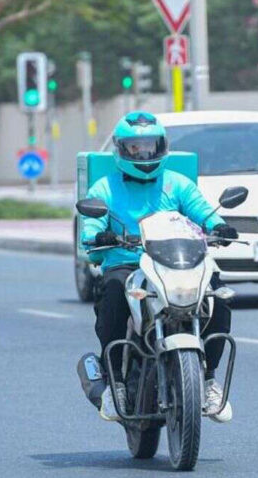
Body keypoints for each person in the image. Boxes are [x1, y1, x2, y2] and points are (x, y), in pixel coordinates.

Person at [80, 111, 239, 423]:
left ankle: (208, 380)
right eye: (136, 148)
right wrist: (99, 235)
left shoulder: (177, 184)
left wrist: (219, 226)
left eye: (151, 146)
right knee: (113, 291)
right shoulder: (104, 189)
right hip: (127, 263)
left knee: (217, 294)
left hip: (174, 261)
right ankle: (116, 384)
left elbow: (203, 211)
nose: (144, 154)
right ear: (121, 150)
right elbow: (90, 226)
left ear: (162, 146)